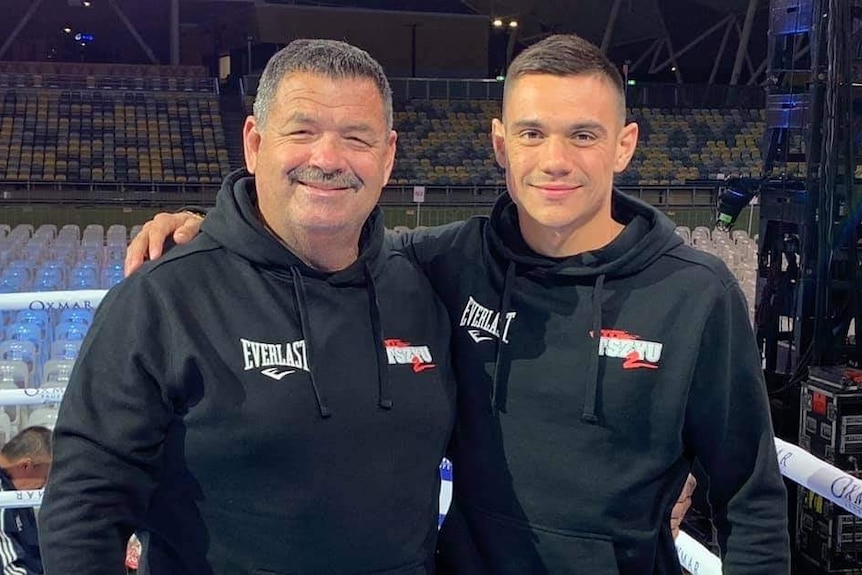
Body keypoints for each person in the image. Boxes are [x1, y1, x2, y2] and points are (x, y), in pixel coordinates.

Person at [125, 35, 789, 573]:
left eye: (583, 135)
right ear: (500, 143)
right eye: (532, 133)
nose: (554, 159)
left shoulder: (696, 296)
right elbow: (319, 243)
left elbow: (750, 498)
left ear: (625, 144)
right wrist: (216, 228)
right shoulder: (445, 261)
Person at [38, 39, 456, 575]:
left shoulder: (423, 287)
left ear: (388, 156)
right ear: (255, 143)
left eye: (356, 138)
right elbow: (83, 511)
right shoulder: (162, 297)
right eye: (302, 131)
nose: (327, 159)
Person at [0, 426, 52, 575]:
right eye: (45, 477)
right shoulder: (4, 499)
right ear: (25, 466)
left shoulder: (16, 491)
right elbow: (8, 569)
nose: (44, 485)